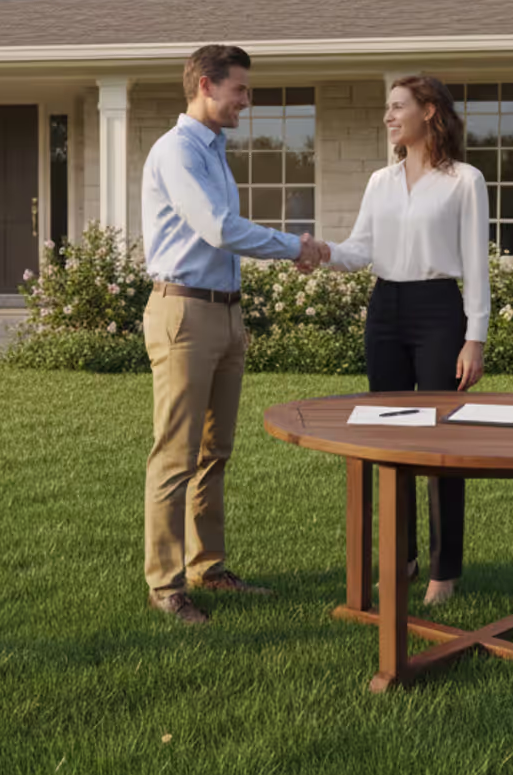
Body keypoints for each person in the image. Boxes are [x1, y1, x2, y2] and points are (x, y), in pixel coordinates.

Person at [141, 43, 329, 625]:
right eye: (240, 89)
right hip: (185, 313)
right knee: (176, 455)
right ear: (205, 84)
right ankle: (167, 585)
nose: (246, 100)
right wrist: (295, 246)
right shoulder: (177, 152)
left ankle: (209, 567)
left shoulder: (214, 151)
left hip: (225, 313)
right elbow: (219, 228)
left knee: (214, 451)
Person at [325, 75, 490, 605]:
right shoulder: (380, 181)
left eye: (398, 107)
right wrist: (316, 252)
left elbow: (478, 268)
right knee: (390, 441)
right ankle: (403, 557)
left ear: (430, 113)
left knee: (444, 444)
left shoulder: (465, 180)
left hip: (439, 311)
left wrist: (475, 338)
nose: (388, 117)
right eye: (388, 108)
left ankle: (445, 569)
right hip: (385, 312)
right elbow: (359, 249)